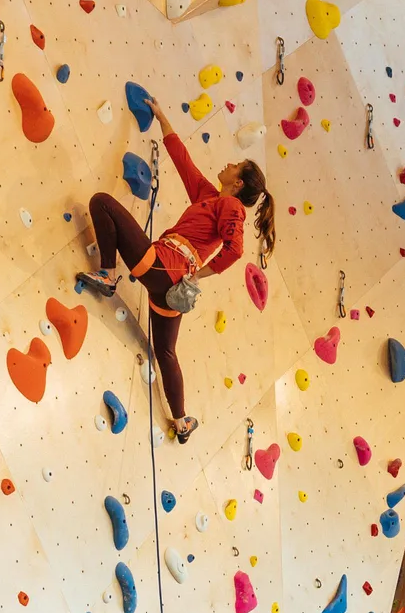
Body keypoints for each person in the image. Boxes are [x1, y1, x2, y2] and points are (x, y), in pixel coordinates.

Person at [78, 98, 276, 444]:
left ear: (239, 183)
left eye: (235, 165)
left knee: (101, 202)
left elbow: (235, 250)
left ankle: (108, 274)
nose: (228, 164)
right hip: (167, 286)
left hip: (163, 267)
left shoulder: (230, 205)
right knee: (166, 353)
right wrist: (161, 114)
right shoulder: (209, 196)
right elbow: (182, 159)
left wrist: (195, 273)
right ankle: (182, 421)